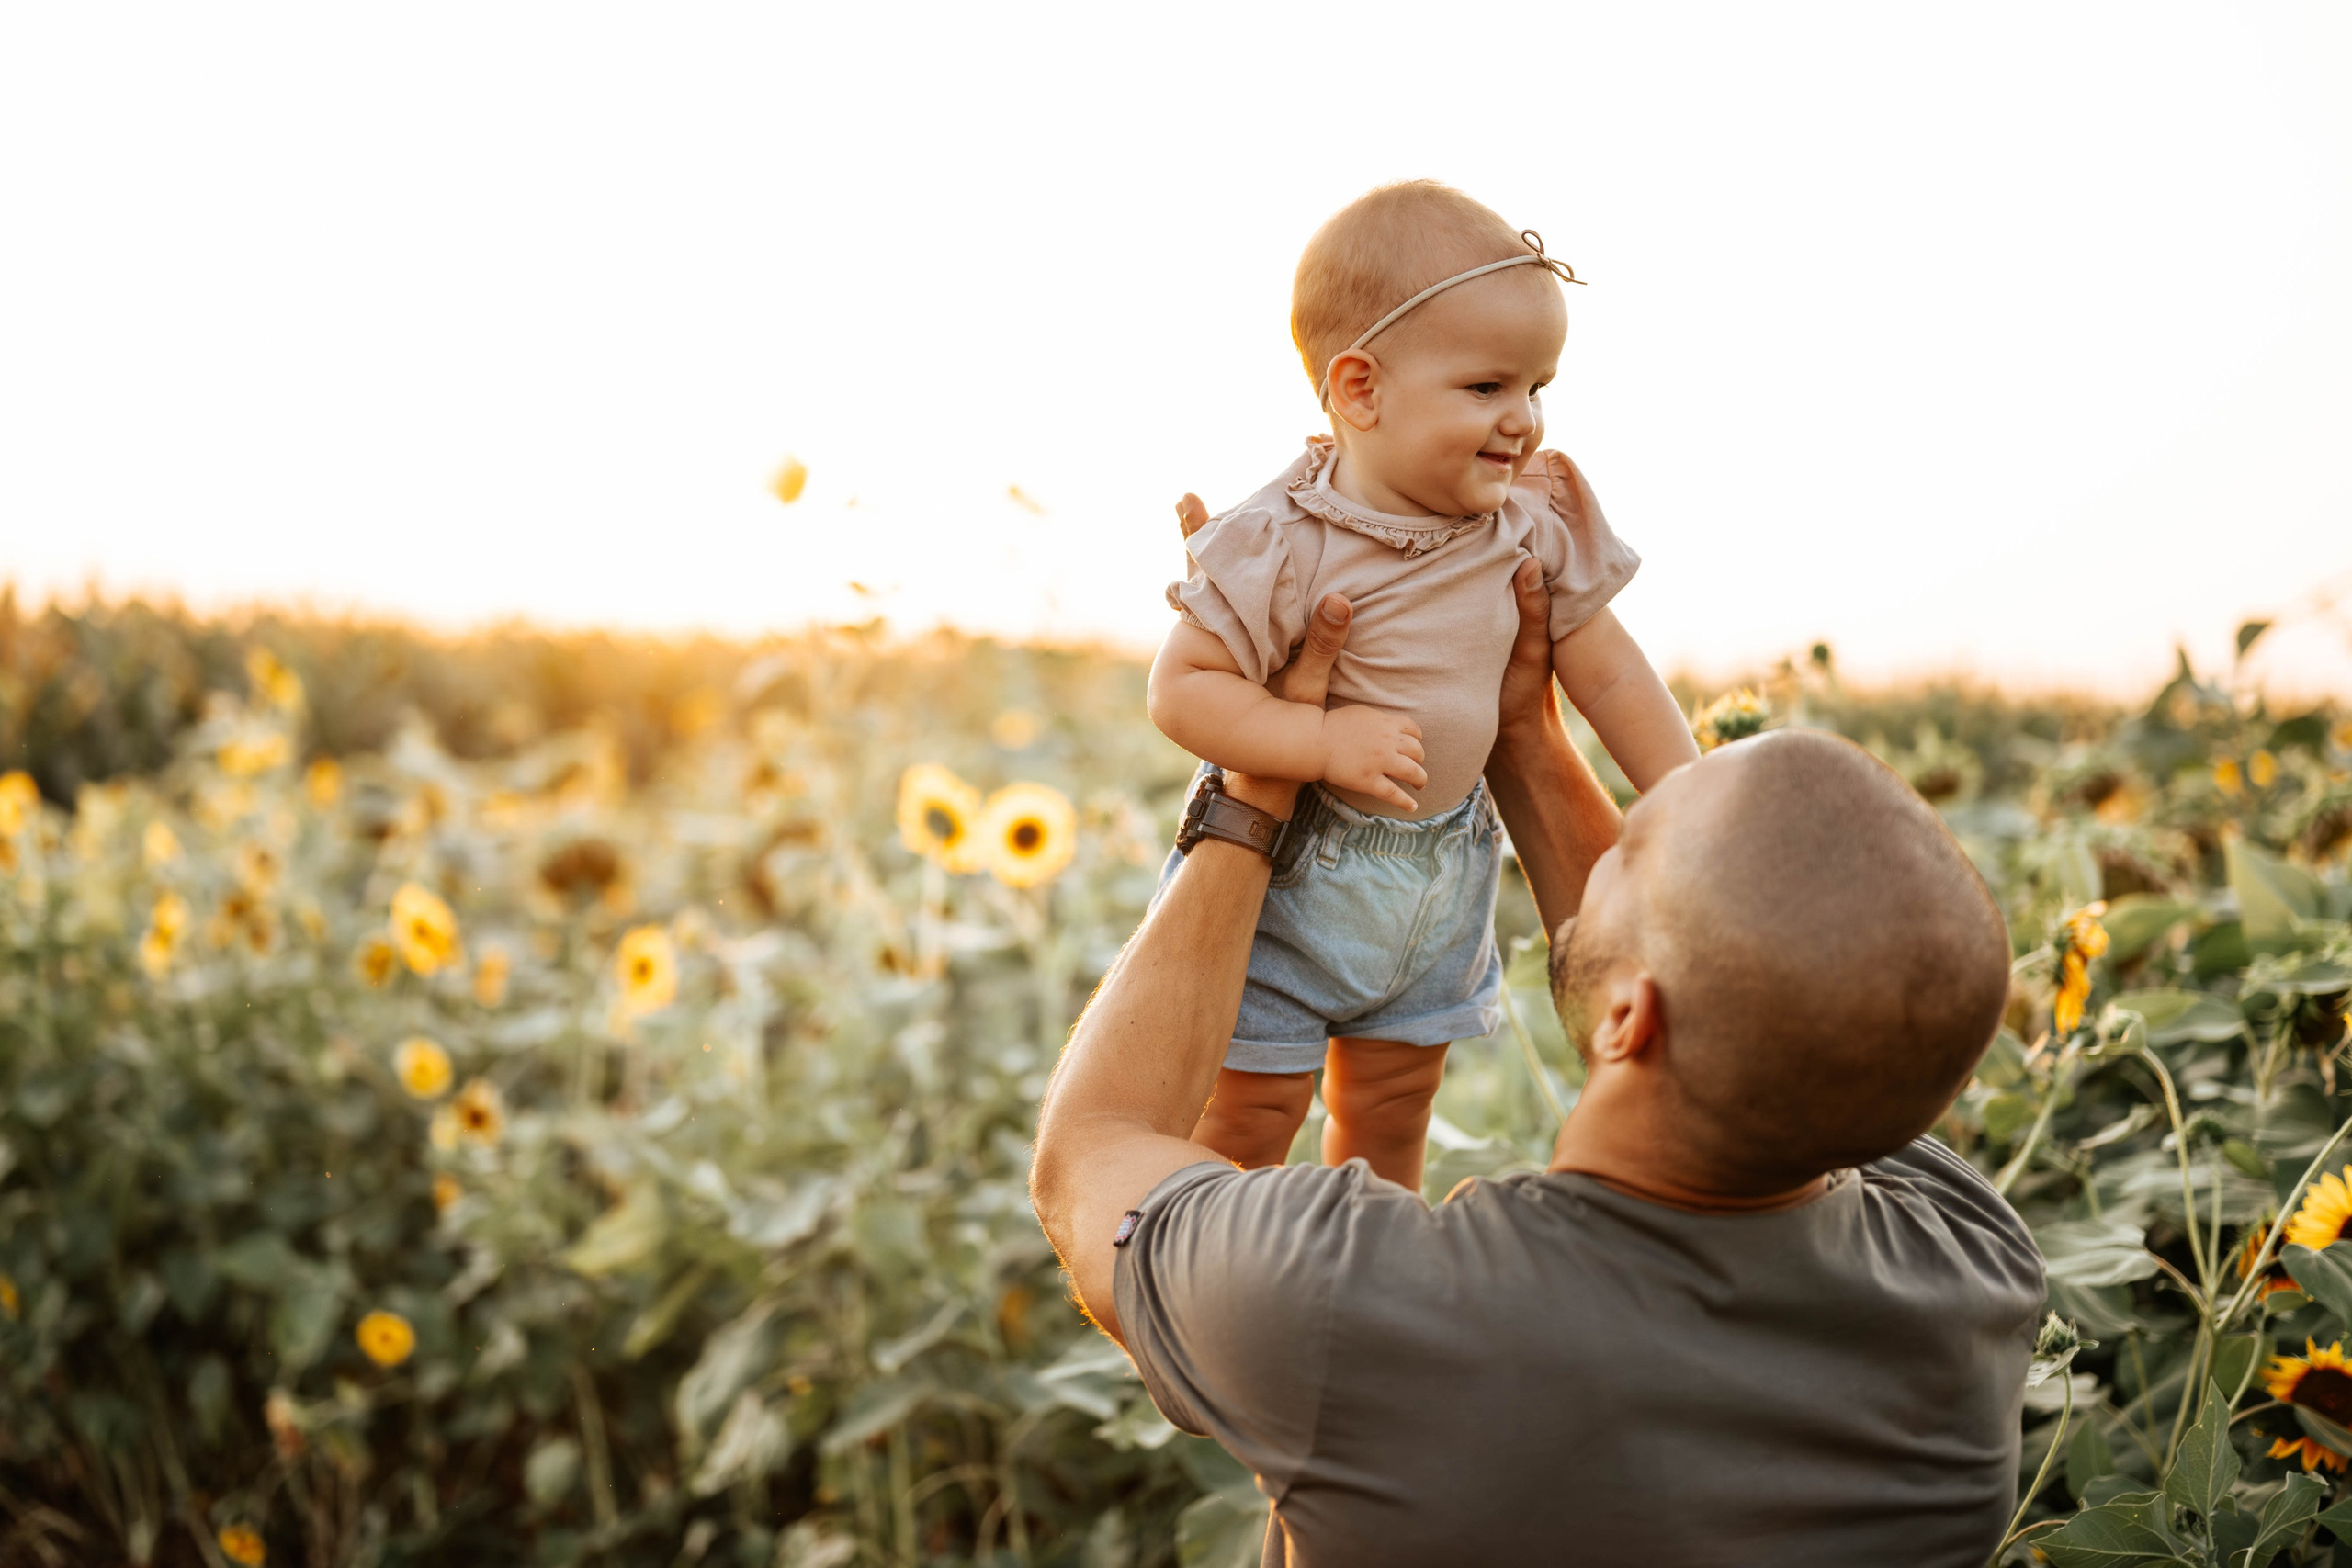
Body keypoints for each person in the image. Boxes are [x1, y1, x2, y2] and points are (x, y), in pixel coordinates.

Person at [1031, 559, 2044, 1566]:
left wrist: (1256, 782)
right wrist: (1523, 732)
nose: (1599, 853)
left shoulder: (1358, 1304)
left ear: (1627, 1022)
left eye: (1630, 845)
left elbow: (1090, 1153)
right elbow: (1729, 1017)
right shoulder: (1971, 1267)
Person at [1146, 180, 1698, 1191]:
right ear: (1359, 390)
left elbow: (1607, 669)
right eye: (1487, 388)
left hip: (1442, 875)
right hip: (1293, 877)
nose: (1523, 421)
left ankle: (1368, 1265)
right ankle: (1227, 1285)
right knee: (1250, 1110)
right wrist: (1314, 744)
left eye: (1539, 387)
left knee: (1394, 1106)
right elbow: (1181, 691)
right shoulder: (1283, 540)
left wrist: (1690, 792)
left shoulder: (1528, 522)